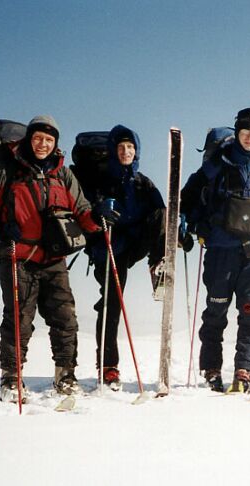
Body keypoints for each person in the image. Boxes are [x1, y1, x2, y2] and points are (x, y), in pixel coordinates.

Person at [0, 115, 101, 402]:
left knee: (65, 320)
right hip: (18, 256)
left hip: (54, 259)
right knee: (18, 321)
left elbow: (82, 209)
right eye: (38, 138)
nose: (43, 144)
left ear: (55, 144)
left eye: (49, 140)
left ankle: (65, 375)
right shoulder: (6, 170)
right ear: (29, 139)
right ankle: (11, 379)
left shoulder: (62, 174)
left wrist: (97, 220)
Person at [180, 108, 250, 392]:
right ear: (237, 133)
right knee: (215, 311)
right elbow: (187, 198)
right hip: (220, 251)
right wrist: (188, 225)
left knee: (249, 312)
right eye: (245, 131)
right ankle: (212, 369)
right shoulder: (216, 166)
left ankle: (243, 370)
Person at [82, 125, 180, 390]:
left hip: (134, 244)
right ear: (114, 150)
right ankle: (108, 366)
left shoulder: (143, 183)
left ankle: (157, 263)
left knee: (161, 211)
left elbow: (161, 212)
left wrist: (176, 227)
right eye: (121, 147)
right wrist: (98, 212)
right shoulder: (99, 180)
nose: (126, 152)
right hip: (109, 247)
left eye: (131, 147)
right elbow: (84, 212)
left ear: (137, 151)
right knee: (112, 304)